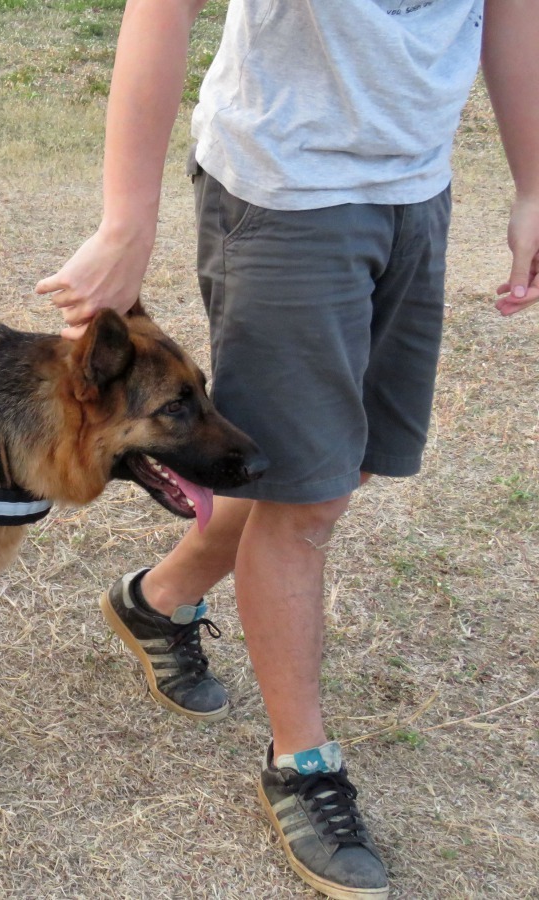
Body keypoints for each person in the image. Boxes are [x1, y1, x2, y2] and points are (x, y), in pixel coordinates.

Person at [36, 1, 538, 897]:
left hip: (416, 188)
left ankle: (159, 600)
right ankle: (302, 763)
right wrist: (126, 222)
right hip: (286, 192)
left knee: (339, 466)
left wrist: (533, 184)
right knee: (306, 500)